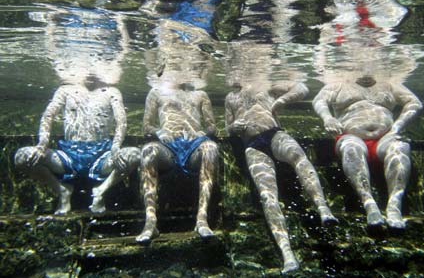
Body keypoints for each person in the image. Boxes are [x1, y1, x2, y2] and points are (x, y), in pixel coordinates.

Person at [225, 79, 338, 274]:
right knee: (267, 195)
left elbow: (302, 88)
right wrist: (233, 126)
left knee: (299, 157)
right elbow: (227, 127)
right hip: (252, 144)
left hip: (274, 133)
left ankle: (323, 209)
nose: (235, 77)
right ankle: (287, 255)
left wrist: (281, 101)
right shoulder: (230, 97)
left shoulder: (266, 81)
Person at [14, 73, 140, 214]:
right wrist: (42, 145)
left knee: (134, 155)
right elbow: (48, 116)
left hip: (102, 156)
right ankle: (62, 190)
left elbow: (121, 122)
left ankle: (100, 192)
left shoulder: (112, 92)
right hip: (68, 155)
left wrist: (115, 148)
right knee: (21, 157)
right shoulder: (66, 89)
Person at [312, 76, 422, 229]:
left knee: (401, 147)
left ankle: (394, 205)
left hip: (385, 137)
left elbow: (414, 103)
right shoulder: (338, 83)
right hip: (351, 136)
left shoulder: (390, 83)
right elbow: (319, 100)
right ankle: (369, 205)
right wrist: (327, 118)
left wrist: (397, 126)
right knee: (351, 149)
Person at [136, 76, 218, 242]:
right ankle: (150, 222)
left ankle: (202, 219)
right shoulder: (156, 92)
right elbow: (146, 127)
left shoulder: (200, 94)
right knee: (148, 150)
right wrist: (160, 132)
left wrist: (204, 133)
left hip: (194, 146)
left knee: (211, 149)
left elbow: (212, 127)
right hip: (168, 149)